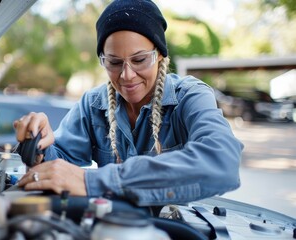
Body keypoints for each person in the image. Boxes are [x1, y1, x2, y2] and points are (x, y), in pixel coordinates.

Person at [14, 0, 243, 206]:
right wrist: (38, 146)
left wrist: (97, 181)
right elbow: (59, 163)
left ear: (160, 55)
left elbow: (222, 162)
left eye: (140, 60)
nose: (127, 75)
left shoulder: (190, 96)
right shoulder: (93, 105)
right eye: (113, 62)